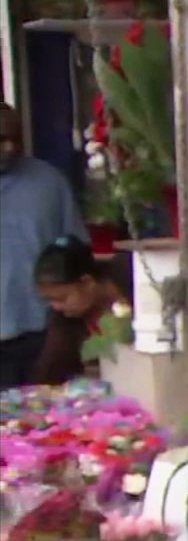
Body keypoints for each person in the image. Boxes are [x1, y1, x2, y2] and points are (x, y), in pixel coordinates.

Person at [0, 101, 87, 388]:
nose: (10, 147)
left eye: (15, 137)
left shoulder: (48, 183)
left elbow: (76, 253)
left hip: (41, 334)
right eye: (1, 140)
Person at [31, 236, 129, 385]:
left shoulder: (136, 283)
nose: (56, 306)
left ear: (87, 282)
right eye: (49, 301)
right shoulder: (65, 321)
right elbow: (50, 372)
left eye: (62, 298)